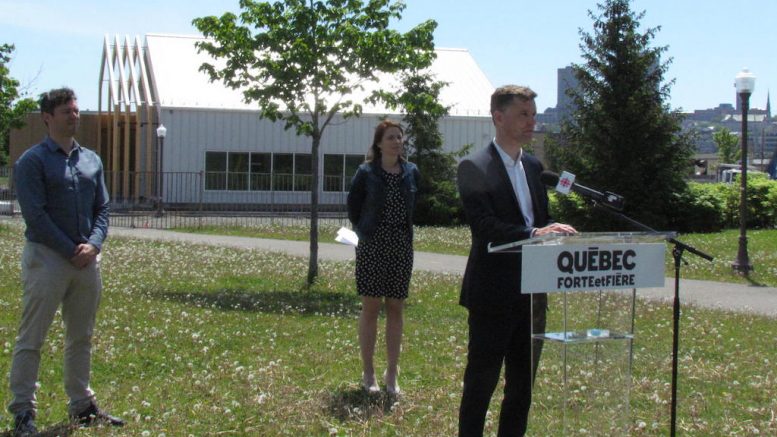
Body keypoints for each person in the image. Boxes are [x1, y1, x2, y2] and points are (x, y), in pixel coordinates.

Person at [456, 85, 576, 437]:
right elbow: (485, 227)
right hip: (493, 294)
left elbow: (542, 219)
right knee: (481, 385)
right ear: (498, 117)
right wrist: (534, 234)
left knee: (522, 388)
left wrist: (551, 237)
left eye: (533, 114)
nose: (531, 121)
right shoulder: (473, 167)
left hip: (533, 294)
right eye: (523, 114)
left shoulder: (535, 167)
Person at [8, 88, 124, 436]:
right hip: (48, 259)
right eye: (66, 112)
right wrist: (71, 249)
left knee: (81, 336)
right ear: (47, 117)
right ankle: (23, 413)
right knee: (32, 338)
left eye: (76, 111)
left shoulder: (92, 160)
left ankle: (82, 405)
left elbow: (102, 208)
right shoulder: (32, 161)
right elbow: (36, 216)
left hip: (87, 261)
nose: (74, 116)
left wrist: (93, 244)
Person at [347, 120, 420, 396]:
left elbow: (414, 205)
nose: (396, 141)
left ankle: (392, 372)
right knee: (371, 307)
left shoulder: (411, 172)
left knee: (396, 307)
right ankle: (369, 372)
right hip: (372, 246)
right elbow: (354, 207)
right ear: (379, 143)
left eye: (399, 137)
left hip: (401, 246)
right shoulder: (365, 172)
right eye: (390, 137)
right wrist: (367, 233)